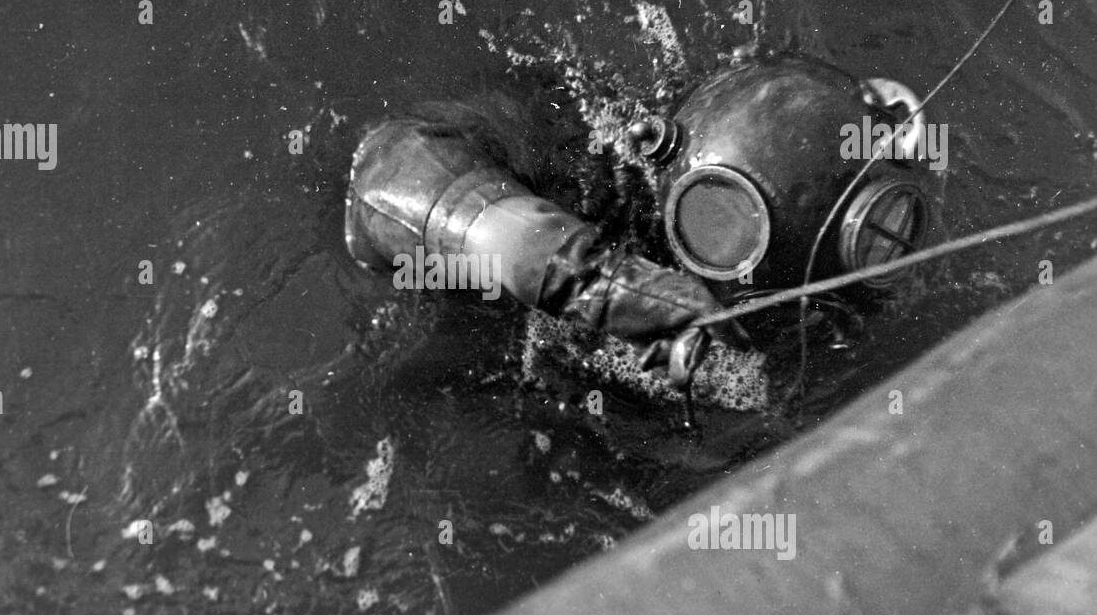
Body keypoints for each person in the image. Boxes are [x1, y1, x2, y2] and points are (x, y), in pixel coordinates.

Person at [345, 54, 943, 390]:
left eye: (880, 242)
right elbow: (386, 175)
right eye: (720, 227)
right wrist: (590, 282)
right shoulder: (576, 150)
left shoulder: (821, 322)